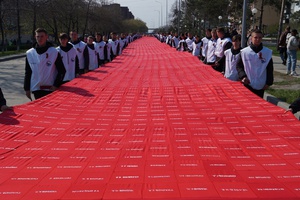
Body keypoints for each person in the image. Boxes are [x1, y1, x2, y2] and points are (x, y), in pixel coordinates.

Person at [24, 28, 66, 100]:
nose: (40, 39)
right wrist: (27, 88)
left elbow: (62, 70)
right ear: (35, 37)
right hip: (36, 89)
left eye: (42, 36)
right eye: (38, 36)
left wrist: (56, 85)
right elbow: (28, 72)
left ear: (46, 37)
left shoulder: (53, 52)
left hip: (50, 89)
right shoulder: (30, 53)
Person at [236, 29, 274, 98]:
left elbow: (270, 68)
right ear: (251, 38)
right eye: (255, 37)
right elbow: (239, 66)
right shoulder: (244, 52)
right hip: (248, 83)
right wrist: (243, 76)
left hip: (261, 84)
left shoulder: (267, 52)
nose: (258, 39)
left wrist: (268, 82)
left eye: (260, 37)